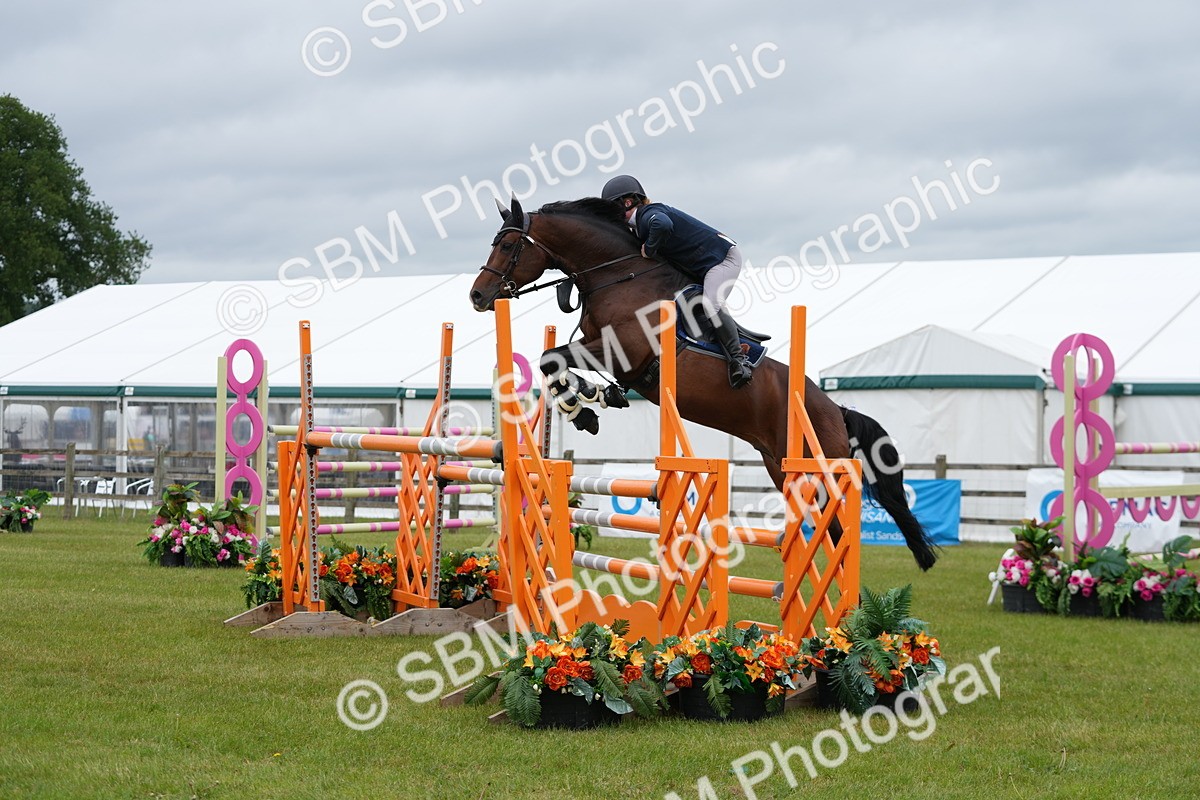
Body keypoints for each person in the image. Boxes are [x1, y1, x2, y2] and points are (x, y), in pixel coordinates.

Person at [601, 174, 752, 388]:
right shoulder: (637, 224)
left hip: (722, 259)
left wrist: (649, 249)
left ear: (628, 202)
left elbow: (662, 225)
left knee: (711, 304)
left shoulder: (647, 214)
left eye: (612, 209)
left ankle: (738, 360)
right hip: (701, 264)